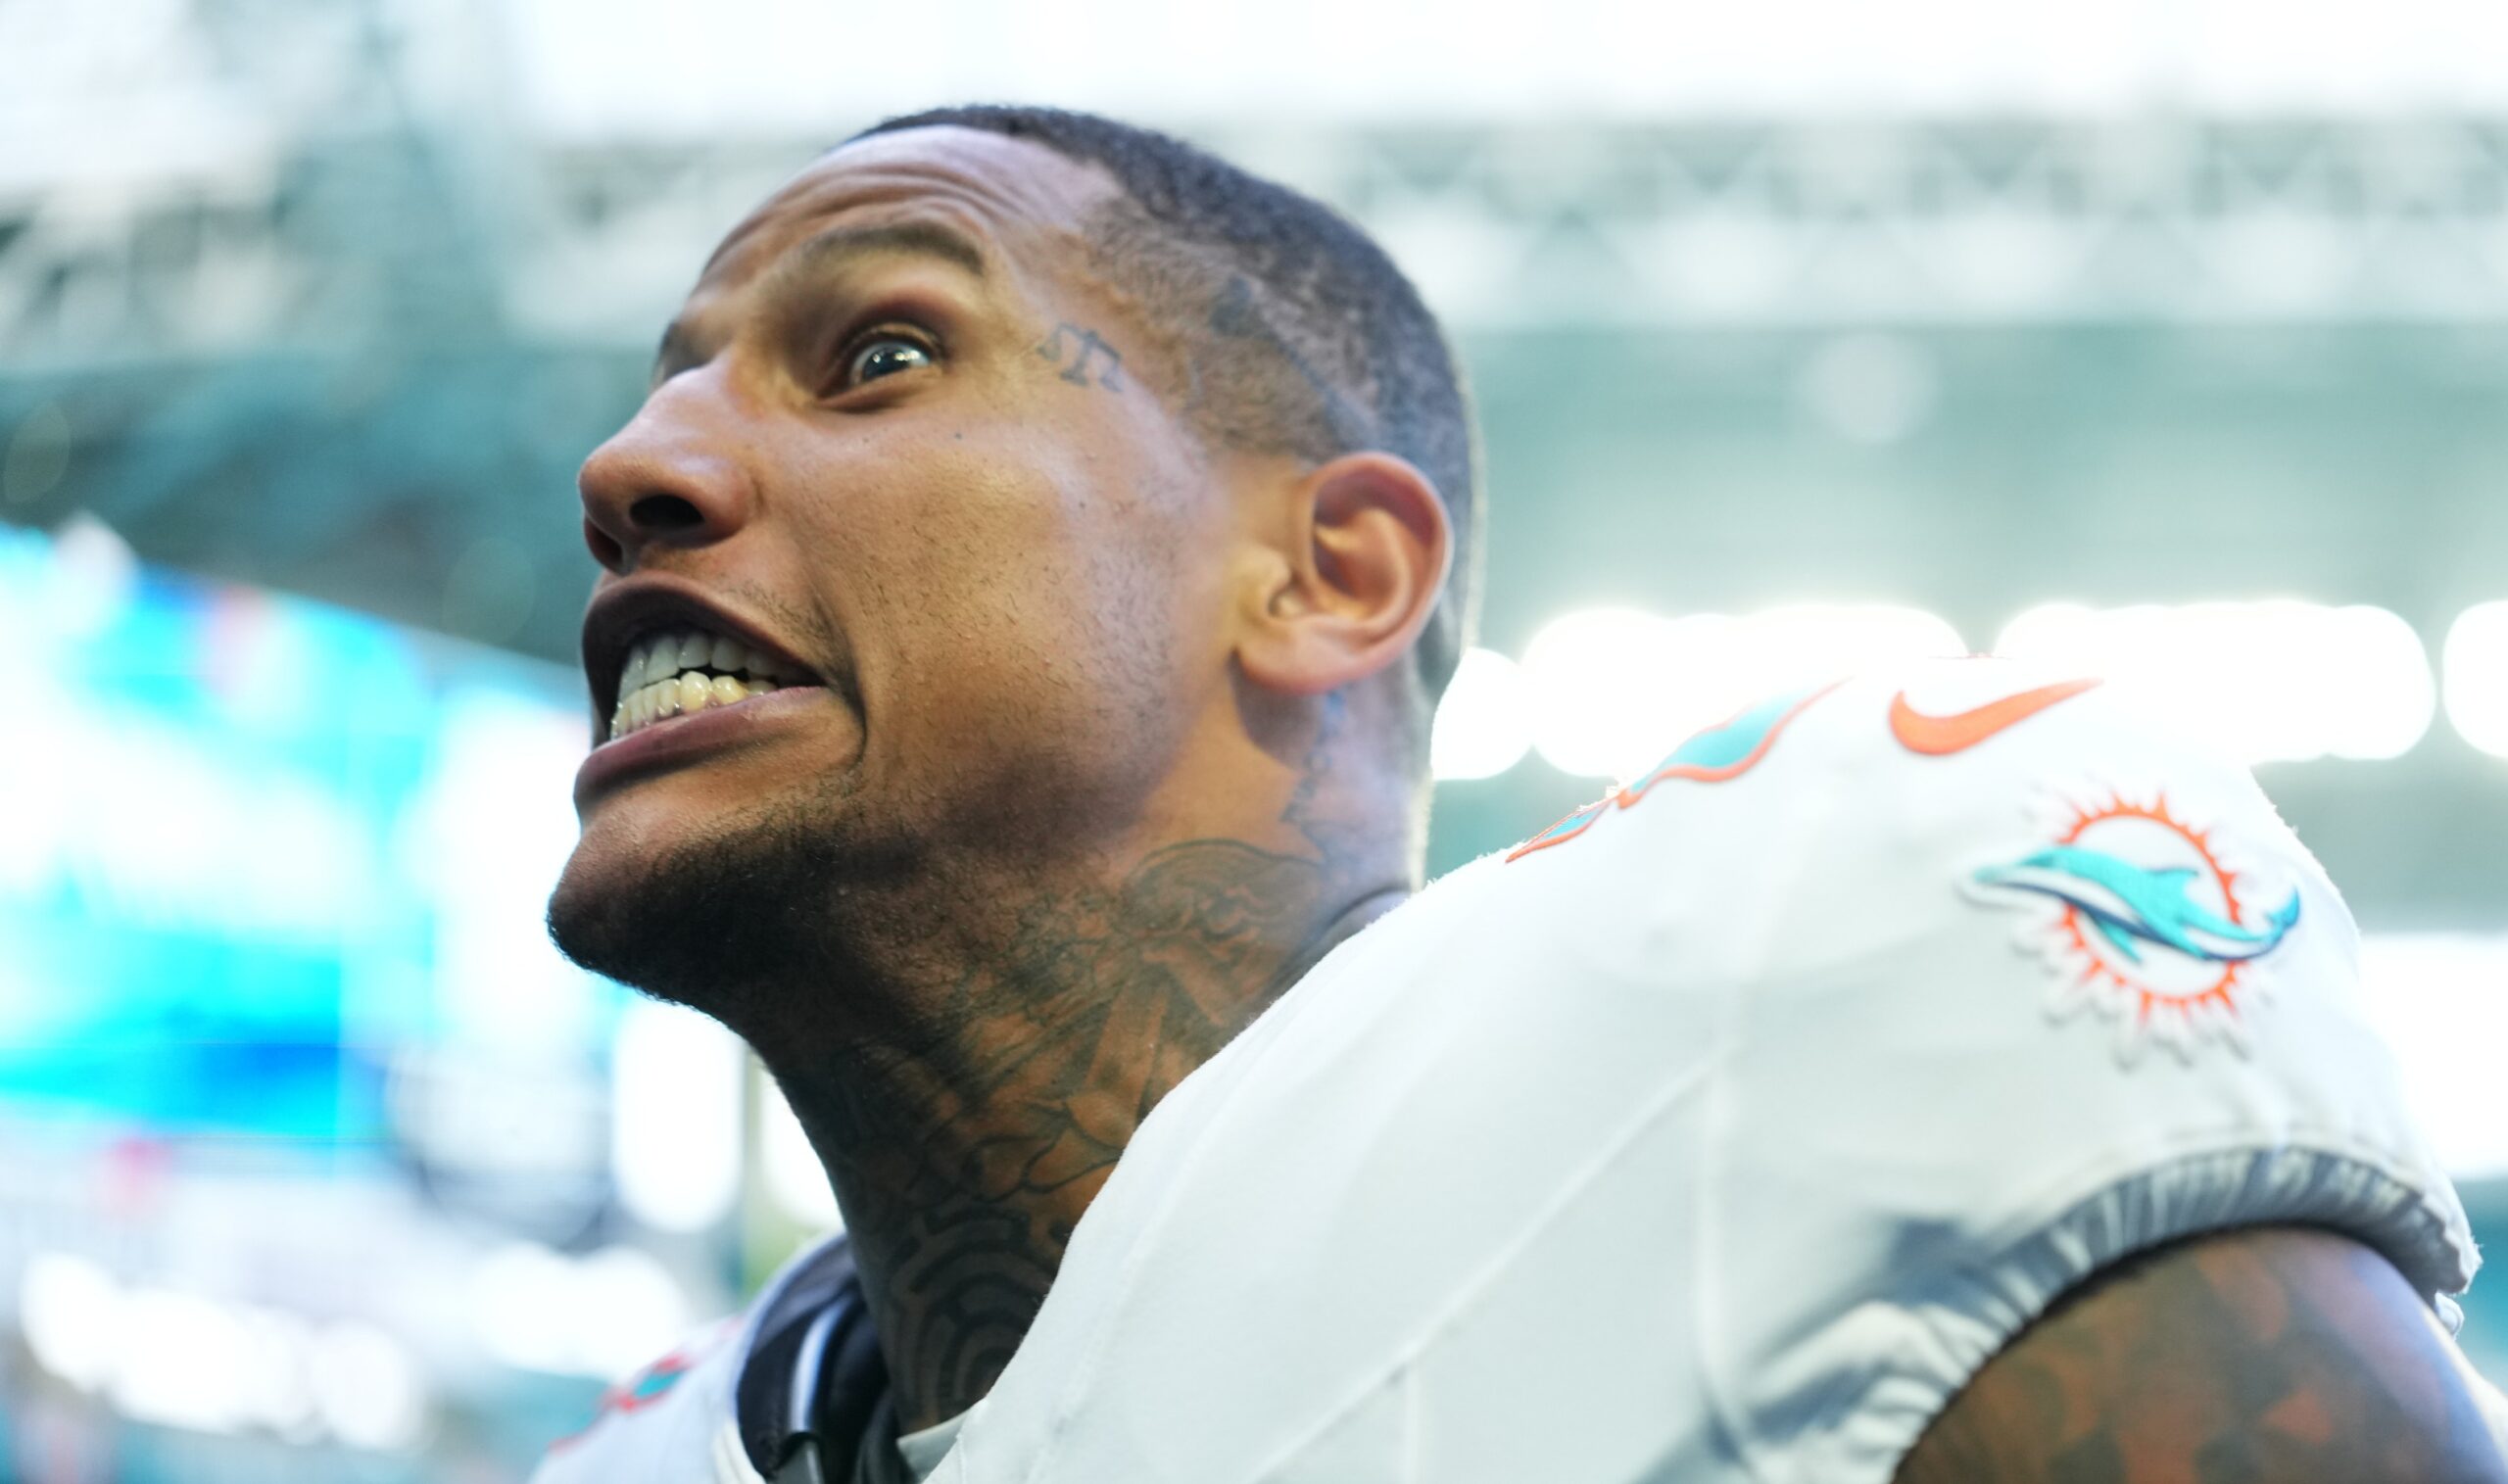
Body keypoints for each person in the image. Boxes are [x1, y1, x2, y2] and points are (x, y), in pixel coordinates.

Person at [533, 104, 2503, 1483]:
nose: (629, 471)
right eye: (664, 385)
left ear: (1332, 575)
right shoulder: (644, 1449)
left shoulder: (1791, 970)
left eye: (877, 353)